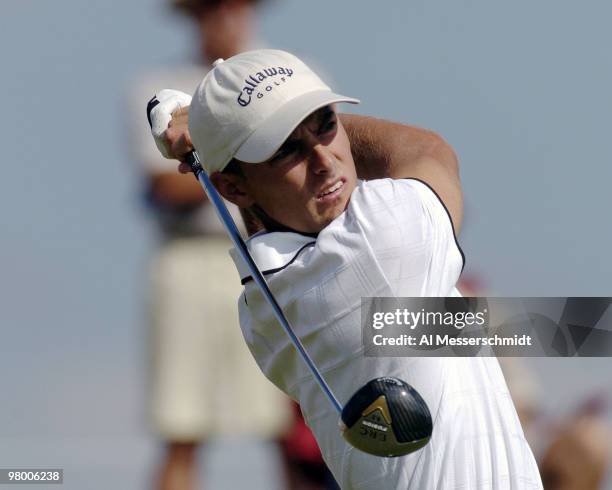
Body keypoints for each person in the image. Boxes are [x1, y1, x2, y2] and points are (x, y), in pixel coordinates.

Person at [149, 49, 544, 489]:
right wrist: (209, 135)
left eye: (326, 125)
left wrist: (218, 137)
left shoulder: (260, 312)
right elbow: (427, 150)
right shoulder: (385, 240)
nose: (324, 160)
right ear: (232, 185)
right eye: (287, 149)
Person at [127, 3, 295, 489]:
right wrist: (254, 160)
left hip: (270, 257)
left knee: (291, 427)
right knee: (182, 425)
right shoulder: (156, 85)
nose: (225, 19)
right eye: (211, 8)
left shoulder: (289, 76)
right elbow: (166, 186)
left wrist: (211, 154)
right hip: (189, 262)